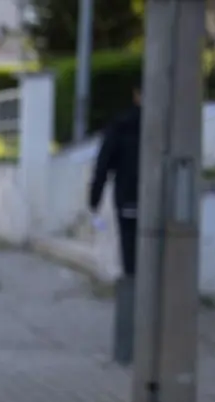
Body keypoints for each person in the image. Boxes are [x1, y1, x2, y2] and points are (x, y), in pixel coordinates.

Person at [89, 87, 142, 277]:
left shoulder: (121, 125)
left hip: (128, 195)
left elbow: (103, 165)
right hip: (157, 198)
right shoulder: (166, 126)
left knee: (129, 245)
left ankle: (132, 290)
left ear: (135, 95)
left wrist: (94, 199)